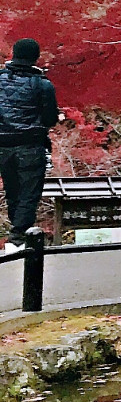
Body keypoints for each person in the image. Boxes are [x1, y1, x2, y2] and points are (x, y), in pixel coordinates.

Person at [0, 39, 58, 250]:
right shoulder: (43, 84)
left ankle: (17, 235)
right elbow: (50, 118)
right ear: (36, 57)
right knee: (29, 193)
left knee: (13, 190)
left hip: (3, 144)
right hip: (31, 145)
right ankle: (18, 237)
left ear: (13, 54)